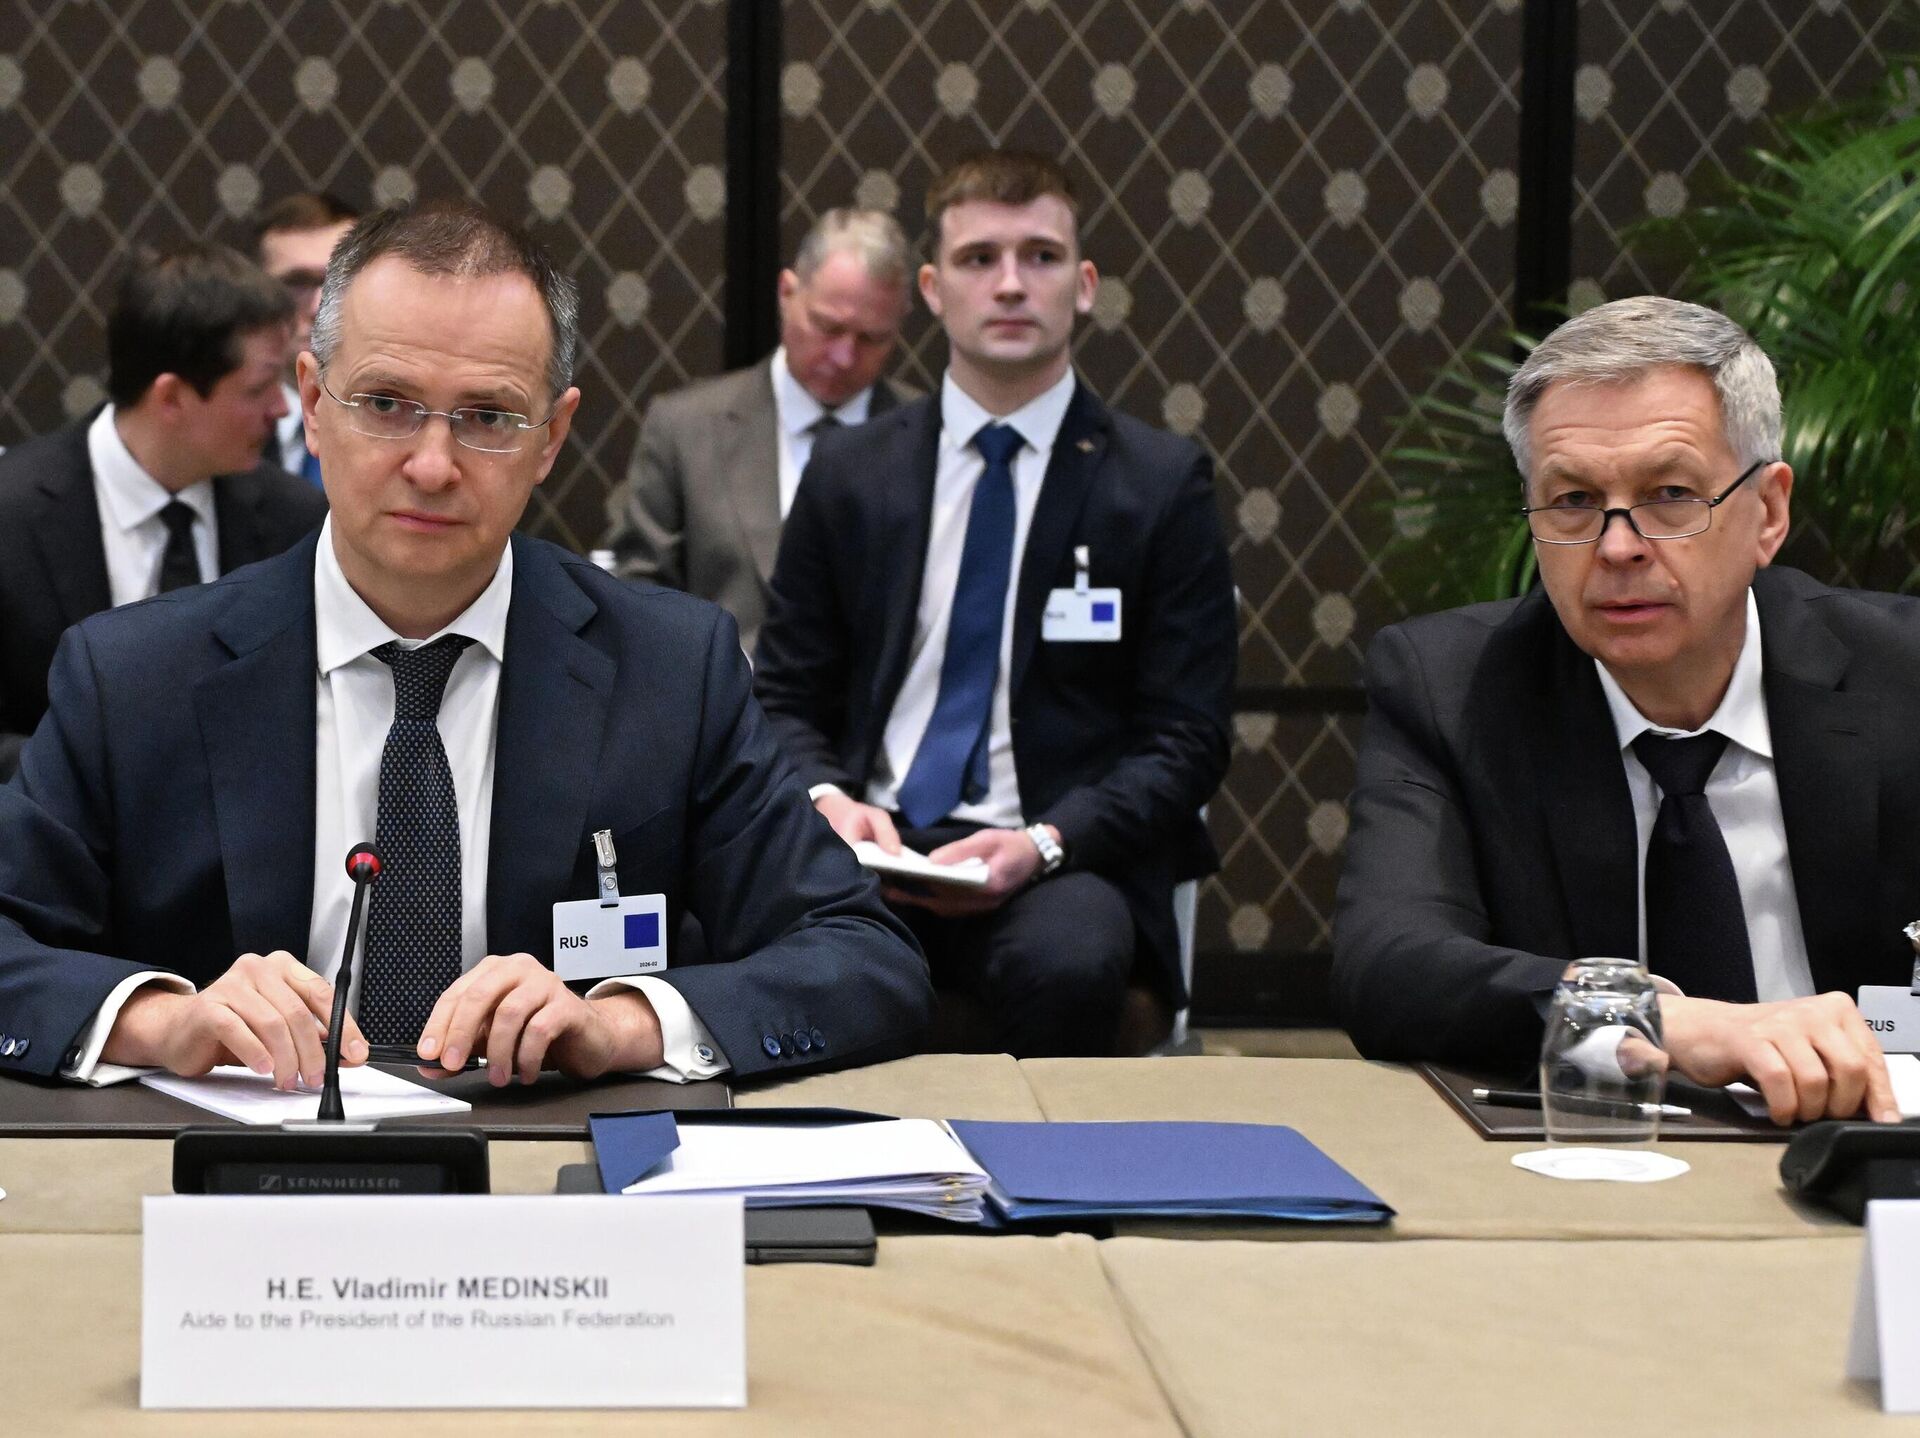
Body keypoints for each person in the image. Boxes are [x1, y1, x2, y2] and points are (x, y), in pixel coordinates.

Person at [0, 200, 931, 1092]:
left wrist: (619, 1026)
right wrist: (164, 1019)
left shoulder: (670, 670)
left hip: (552, 1163)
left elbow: (863, 958)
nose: (433, 465)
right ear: (313, 404)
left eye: (488, 417)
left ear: (552, 437)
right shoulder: (135, 677)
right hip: (228, 1165)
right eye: (387, 403)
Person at [1332, 295, 1910, 1125]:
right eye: (1572, 501)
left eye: (1670, 493)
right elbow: (1389, 965)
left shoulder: (1903, 679)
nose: (1616, 546)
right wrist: (1656, 1018)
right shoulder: (1451, 687)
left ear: (1769, 512)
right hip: (1589, 1156)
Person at [754, 151, 1236, 1057]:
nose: (1010, 284)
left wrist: (1047, 842)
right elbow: (784, 692)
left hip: (1058, 855)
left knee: (1070, 963)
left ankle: (1040, 1163)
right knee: (740, 938)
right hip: (872, 838)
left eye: (1040, 256)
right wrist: (828, 800)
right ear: (933, 291)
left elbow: (1186, 739)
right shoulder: (851, 472)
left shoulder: (1159, 485)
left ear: (1084, 286)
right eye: (979, 259)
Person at [0, 243, 326, 779]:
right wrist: (100, 780)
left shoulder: (296, 518)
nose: (281, 407)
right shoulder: (11, 516)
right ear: (171, 397)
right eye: (259, 387)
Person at [600, 207, 914, 653]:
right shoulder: (685, 428)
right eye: (828, 327)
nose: (844, 356)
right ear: (787, 293)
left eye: (871, 338)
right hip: (721, 689)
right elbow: (636, 592)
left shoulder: (929, 434)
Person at [255, 191, 359, 486]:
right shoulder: (217, 432)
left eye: (339, 279)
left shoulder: (412, 419)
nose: (318, 306)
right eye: (297, 283)